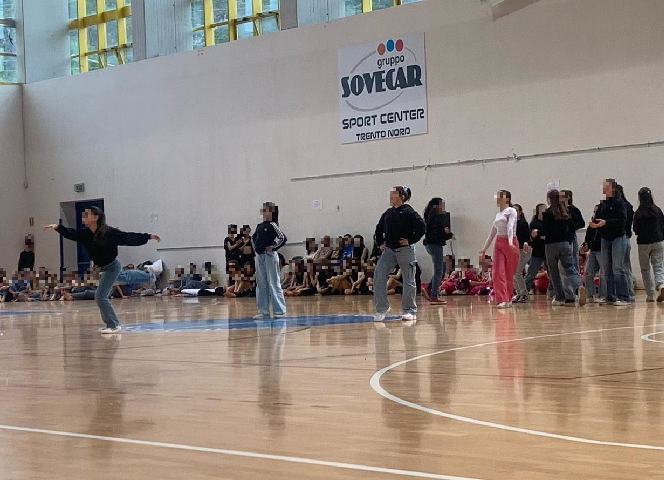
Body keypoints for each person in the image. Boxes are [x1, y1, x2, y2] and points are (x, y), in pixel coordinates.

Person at [44, 207, 160, 333]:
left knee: (100, 296)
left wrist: (147, 237)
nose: (83, 217)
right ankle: (149, 274)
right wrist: (58, 227)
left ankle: (113, 325)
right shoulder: (85, 233)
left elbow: (128, 237)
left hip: (112, 266)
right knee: (125, 277)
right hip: (102, 267)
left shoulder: (109, 232)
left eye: (87, 214)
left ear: (96, 217)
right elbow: (71, 233)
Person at [373, 186, 425, 322]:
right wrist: (380, 243)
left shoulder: (408, 211)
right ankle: (382, 308)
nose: (390, 196)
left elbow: (421, 226)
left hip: (405, 250)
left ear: (401, 196)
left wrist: (410, 240)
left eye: (393, 193)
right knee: (379, 275)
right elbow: (378, 229)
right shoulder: (388, 213)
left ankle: (409, 310)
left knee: (409, 279)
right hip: (389, 250)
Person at [589, 179, 630, 306]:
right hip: (605, 238)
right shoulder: (603, 204)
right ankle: (610, 296)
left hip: (618, 237)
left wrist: (606, 222)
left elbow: (622, 221)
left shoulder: (620, 202)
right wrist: (595, 224)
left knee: (618, 268)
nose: (603, 189)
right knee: (606, 269)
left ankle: (624, 297)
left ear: (612, 188)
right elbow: (598, 218)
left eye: (606, 187)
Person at [542, 189, 586, 306]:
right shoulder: (565, 211)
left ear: (549, 199)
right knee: (570, 268)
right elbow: (571, 228)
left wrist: (538, 233)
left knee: (554, 272)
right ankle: (578, 286)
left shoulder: (547, 213)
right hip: (565, 244)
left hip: (551, 245)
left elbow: (545, 230)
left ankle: (560, 297)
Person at [479, 190, 520, 309]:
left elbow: (510, 226)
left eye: (501, 196)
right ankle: (502, 299)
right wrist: (484, 248)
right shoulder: (498, 215)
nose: (498, 198)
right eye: (497, 196)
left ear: (507, 198)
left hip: (511, 242)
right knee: (497, 271)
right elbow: (492, 233)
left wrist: (510, 242)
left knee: (509, 272)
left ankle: (508, 297)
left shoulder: (511, 211)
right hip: (499, 243)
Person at [252, 202, 287, 318]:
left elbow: (283, 238)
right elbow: (253, 238)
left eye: (265, 210)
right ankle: (263, 311)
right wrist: (256, 249)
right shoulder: (259, 226)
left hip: (270, 256)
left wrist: (274, 247)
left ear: (271, 212)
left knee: (273, 282)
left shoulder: (273, 225)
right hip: (260, 256)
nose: (263, 212)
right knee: (261, 284)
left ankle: (279, 310)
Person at [633, 187, 664, 302]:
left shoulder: (638, 213)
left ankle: (650, 294)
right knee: (658, 265)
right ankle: (661, 284)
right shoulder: (657, 210)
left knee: (645, 269)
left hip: (643, 243)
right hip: (658, 241)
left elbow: (635, 229)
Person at [422, 197, 452, 305]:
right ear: (437, 206)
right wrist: (448, 234)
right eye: (441, 204)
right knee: (439, 271)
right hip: (435, 245)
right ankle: (433, 296)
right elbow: (438, 235)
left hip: (430, 245)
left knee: (439, 269)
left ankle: (429, 288)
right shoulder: (437, 218)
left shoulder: (429, 217)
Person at [581, 204, 606, 303]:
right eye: (595, 211)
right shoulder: (591, 226)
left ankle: (603, 295)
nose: (596, 214)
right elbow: (587, 239)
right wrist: (585, 245)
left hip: (602, 251)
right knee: (587, 272)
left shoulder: (604, 225)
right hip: (593, 251)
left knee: (603, 274)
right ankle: (589, 295)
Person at [616, 184, 636, 302]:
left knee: (623, 267)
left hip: (622, 238)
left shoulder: (622, 206)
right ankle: (629, 292)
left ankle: (629, 293)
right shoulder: (628, 205)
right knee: (625, 266)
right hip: (626, 237)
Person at [524, 204, 548, 296]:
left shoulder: (548, 221)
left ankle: (553, 291)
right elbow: (534, 235)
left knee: (552, 272)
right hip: (537, 250)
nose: (543, 211)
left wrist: (540, 234)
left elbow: (548, 233)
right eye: (542, 209)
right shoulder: (534, 223)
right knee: (531, 272)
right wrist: (541, 235)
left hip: (548, 249)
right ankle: (524, 291)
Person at [512, 204, 531, 303]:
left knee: (517, 273)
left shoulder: (523, 223)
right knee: (513, 274)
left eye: (516, 210)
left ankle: (524, 294)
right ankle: (518, 293)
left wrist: (526, 243)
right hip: (514, 250)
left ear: (520, 212)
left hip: (523, 250)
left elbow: (527, 237)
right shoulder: (510, 224)